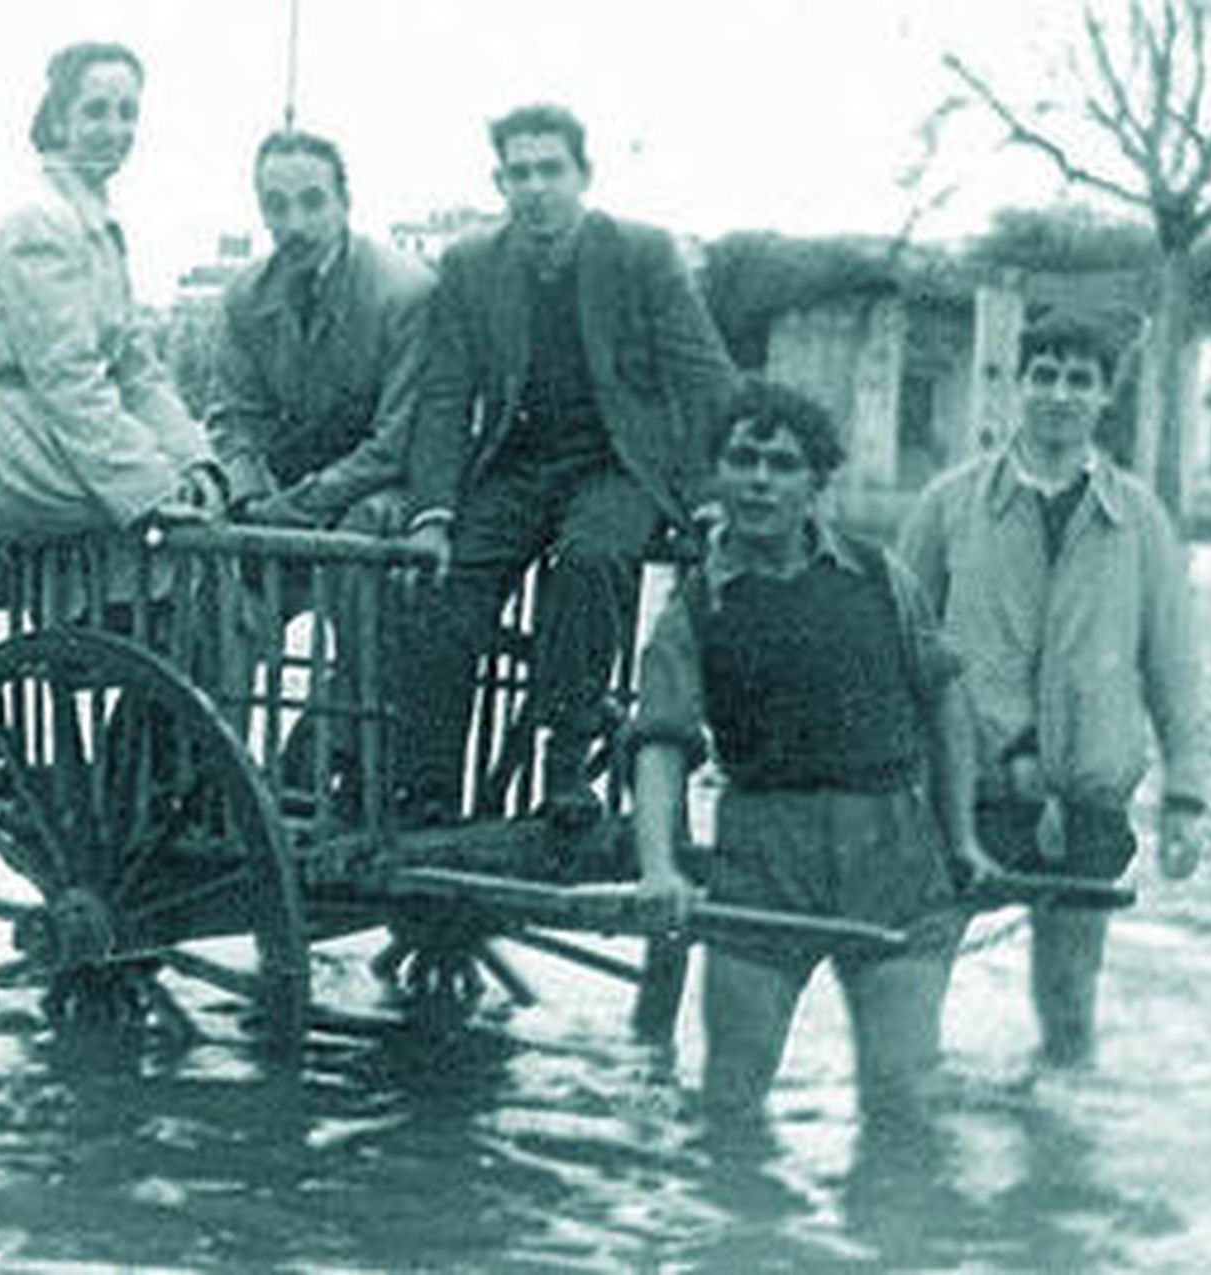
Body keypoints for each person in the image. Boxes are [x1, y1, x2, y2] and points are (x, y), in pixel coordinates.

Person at [630, 378, 985, 1137]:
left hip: (893, 859)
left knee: (903, 1105)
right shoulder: (693, 608)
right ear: (720, 473)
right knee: (729, 1109)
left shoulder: (882, 578)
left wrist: (962, 838)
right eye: (743, 458)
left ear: (816, 482)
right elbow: (660, 742)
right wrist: (658, 867)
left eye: (783, 463)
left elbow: (948, 696)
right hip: (764, 861)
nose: (759, 479)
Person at [398, 102, 737, 824]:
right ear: (499, 183)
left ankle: (564, 761)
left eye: (551, 169)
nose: (536, 188)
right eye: (518, 173)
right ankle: (426, 788)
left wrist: (711, 493)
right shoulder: (470, 266)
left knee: (590, 559)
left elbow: (704, 379)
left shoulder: (642, 255)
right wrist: (432, 513)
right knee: (448, 585)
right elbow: (445, 396)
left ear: (584, 175)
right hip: (517, 464)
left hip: (617, 464)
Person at [898, 310, 1204, 1068]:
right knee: (909, 998)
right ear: (1016, 387)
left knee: (1069, 1009)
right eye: (1045, 375)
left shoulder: (1139, 520)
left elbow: (1172, 667)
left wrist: (1185, 799)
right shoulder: (949, 503)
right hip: (963, 791)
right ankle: (908, 1165)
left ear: (1104, 397)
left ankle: (1057, 1166)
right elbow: (897, 646)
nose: (1060, 394)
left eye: (1080, 380)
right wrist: (891, 781)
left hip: (1085, 798)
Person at [207, 129, 433, 800]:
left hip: (383, 487)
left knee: (360, 551)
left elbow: (399, 440)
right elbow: (231, 417)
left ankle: (342, 755)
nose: (294, 223)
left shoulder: (404, 292)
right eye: (275, 205)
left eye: (312, 202)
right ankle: (212, 768)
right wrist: (248, 496)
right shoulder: (246, 298)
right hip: (288, 493)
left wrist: (296, 505)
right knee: (219, 578)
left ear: (345, 202)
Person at [0, 41, 224, 541]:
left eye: (128, 113)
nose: (116, 130)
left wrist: (194, 461)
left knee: (203, 517)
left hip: (64, 443)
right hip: (22, 451)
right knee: (196, 544)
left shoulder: (96, 225)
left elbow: (137, 370)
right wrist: (152, 486)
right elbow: (66, 377)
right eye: (96, 112)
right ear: (59, 121)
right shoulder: (38, 221)